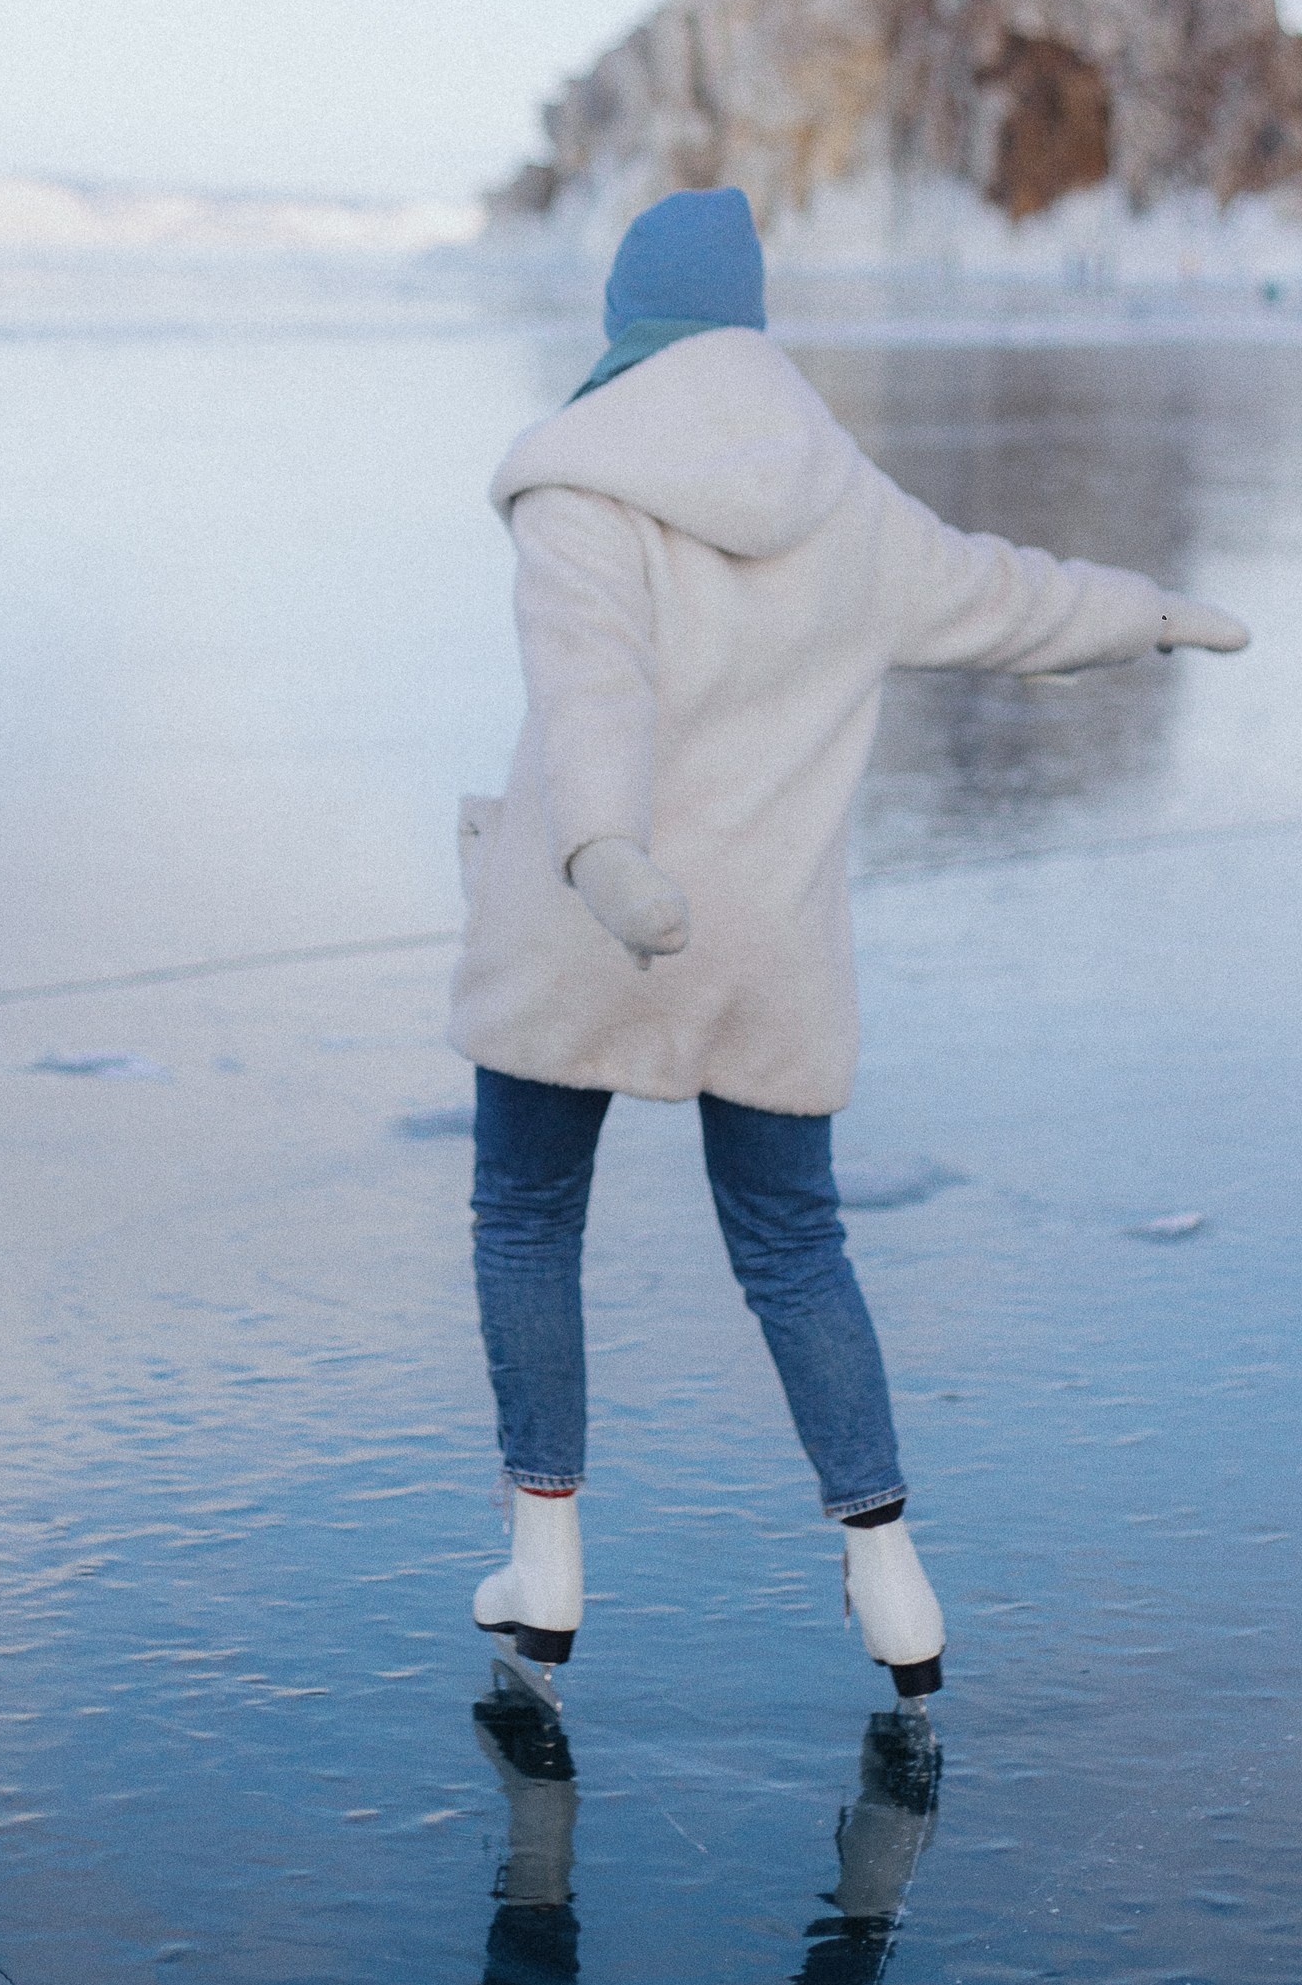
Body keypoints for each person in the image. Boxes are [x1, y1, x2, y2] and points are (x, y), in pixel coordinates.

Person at [447, 187, 1248, 1702]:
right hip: (767, 941)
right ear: (748, 315)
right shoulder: (845, 504)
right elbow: (1006, 596)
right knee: (793, 1247)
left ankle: (541, 1560)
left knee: (525, 1215)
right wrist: (1146, 613)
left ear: (626, 314)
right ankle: (891, 1584)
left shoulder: (580, 486)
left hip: (580, 914)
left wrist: (605, 848)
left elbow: (588, 682)